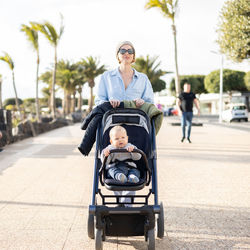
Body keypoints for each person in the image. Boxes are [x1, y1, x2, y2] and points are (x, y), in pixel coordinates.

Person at [95, 40, 154, 108]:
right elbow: (98, 101)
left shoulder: (143, 79)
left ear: (133, 56)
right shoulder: (106, 77)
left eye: (130, 51)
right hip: (112, 117)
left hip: (136, 118)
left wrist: (142, 102)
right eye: (122, 51)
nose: (126, 53)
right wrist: (109, 103)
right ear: (117, 55)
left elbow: (150, 103)